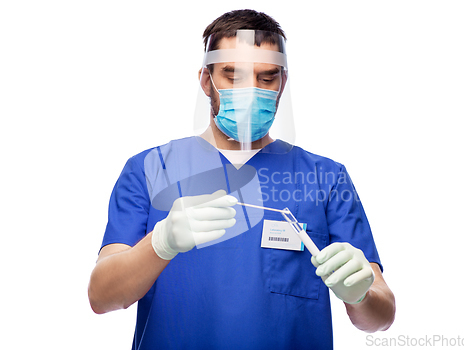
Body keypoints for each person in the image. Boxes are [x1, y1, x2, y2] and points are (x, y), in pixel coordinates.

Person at [88, 9, 395, 349]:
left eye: (266, 79)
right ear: (206, 80)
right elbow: (102, 297)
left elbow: (381, 316)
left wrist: (361, 294)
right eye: (233, 76)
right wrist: (160, 244)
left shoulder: (325, 178)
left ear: (283, 82)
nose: (251, 93)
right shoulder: (149, 169)